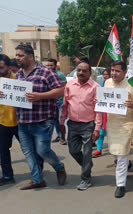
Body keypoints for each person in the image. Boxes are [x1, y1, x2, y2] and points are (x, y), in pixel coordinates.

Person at [15, 44, 66, 190]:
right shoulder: (19, 74)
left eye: (20, 55)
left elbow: (61, 90)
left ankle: (59, 166)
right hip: (23, 121)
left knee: (42, 150)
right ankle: (37, 180)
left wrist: (40, 96)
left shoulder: (46, 72)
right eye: (16, 55)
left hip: (42, 121)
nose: (17, 58)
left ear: (31, 56)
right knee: (29, 153)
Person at [60, 60, 101, 190]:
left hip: (88, 125)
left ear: (90, 73)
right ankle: (87, 164)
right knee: (73, 151)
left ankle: (86, 179)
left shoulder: (95, 87)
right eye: (79, 70)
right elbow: (65, 105)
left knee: (87, 152)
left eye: (84, 71)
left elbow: (98, 109)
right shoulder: (69, 85)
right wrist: (62, 122)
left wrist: (97, 128)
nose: (81, 73)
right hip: (72, 124)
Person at [104, 60, 133, 198]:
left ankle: (120, 185)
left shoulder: (132, 86)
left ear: (124, 72)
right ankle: (127, 164)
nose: (114, 73)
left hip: (126, 125)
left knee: (122, 153)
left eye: (117, 71)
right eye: (112, 70)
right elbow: (103, 100)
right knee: (115, 152)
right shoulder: (107, 83)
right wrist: (98, 101)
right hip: (112, 124)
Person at [0, 54, 19, 186]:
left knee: (30, 149)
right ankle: (7, 176)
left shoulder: (19, 80)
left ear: (8, 67)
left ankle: (37, 174)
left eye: (1, 67)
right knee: (3, 150)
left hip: (20, 122)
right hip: (2, 122)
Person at [46, 59, 67, 145]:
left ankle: (63, 137)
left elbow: (64, 88)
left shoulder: (60, 75)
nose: (49, 67)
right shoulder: (45, 75)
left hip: (60, 101)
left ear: (55, 66)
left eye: (51, 65)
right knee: (54, 121)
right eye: (48, 65)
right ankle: (58, 135)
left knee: (60, 119)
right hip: (51, 102)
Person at [92, 68, 111, 158]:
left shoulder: (114, 85)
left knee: (112, 134)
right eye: (104, 74)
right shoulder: (101, 84)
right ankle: (99, 149)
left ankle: (116, 154)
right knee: (101, 132)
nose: (105, 76)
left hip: (112, 113)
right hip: (103, 112)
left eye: (107, 74)